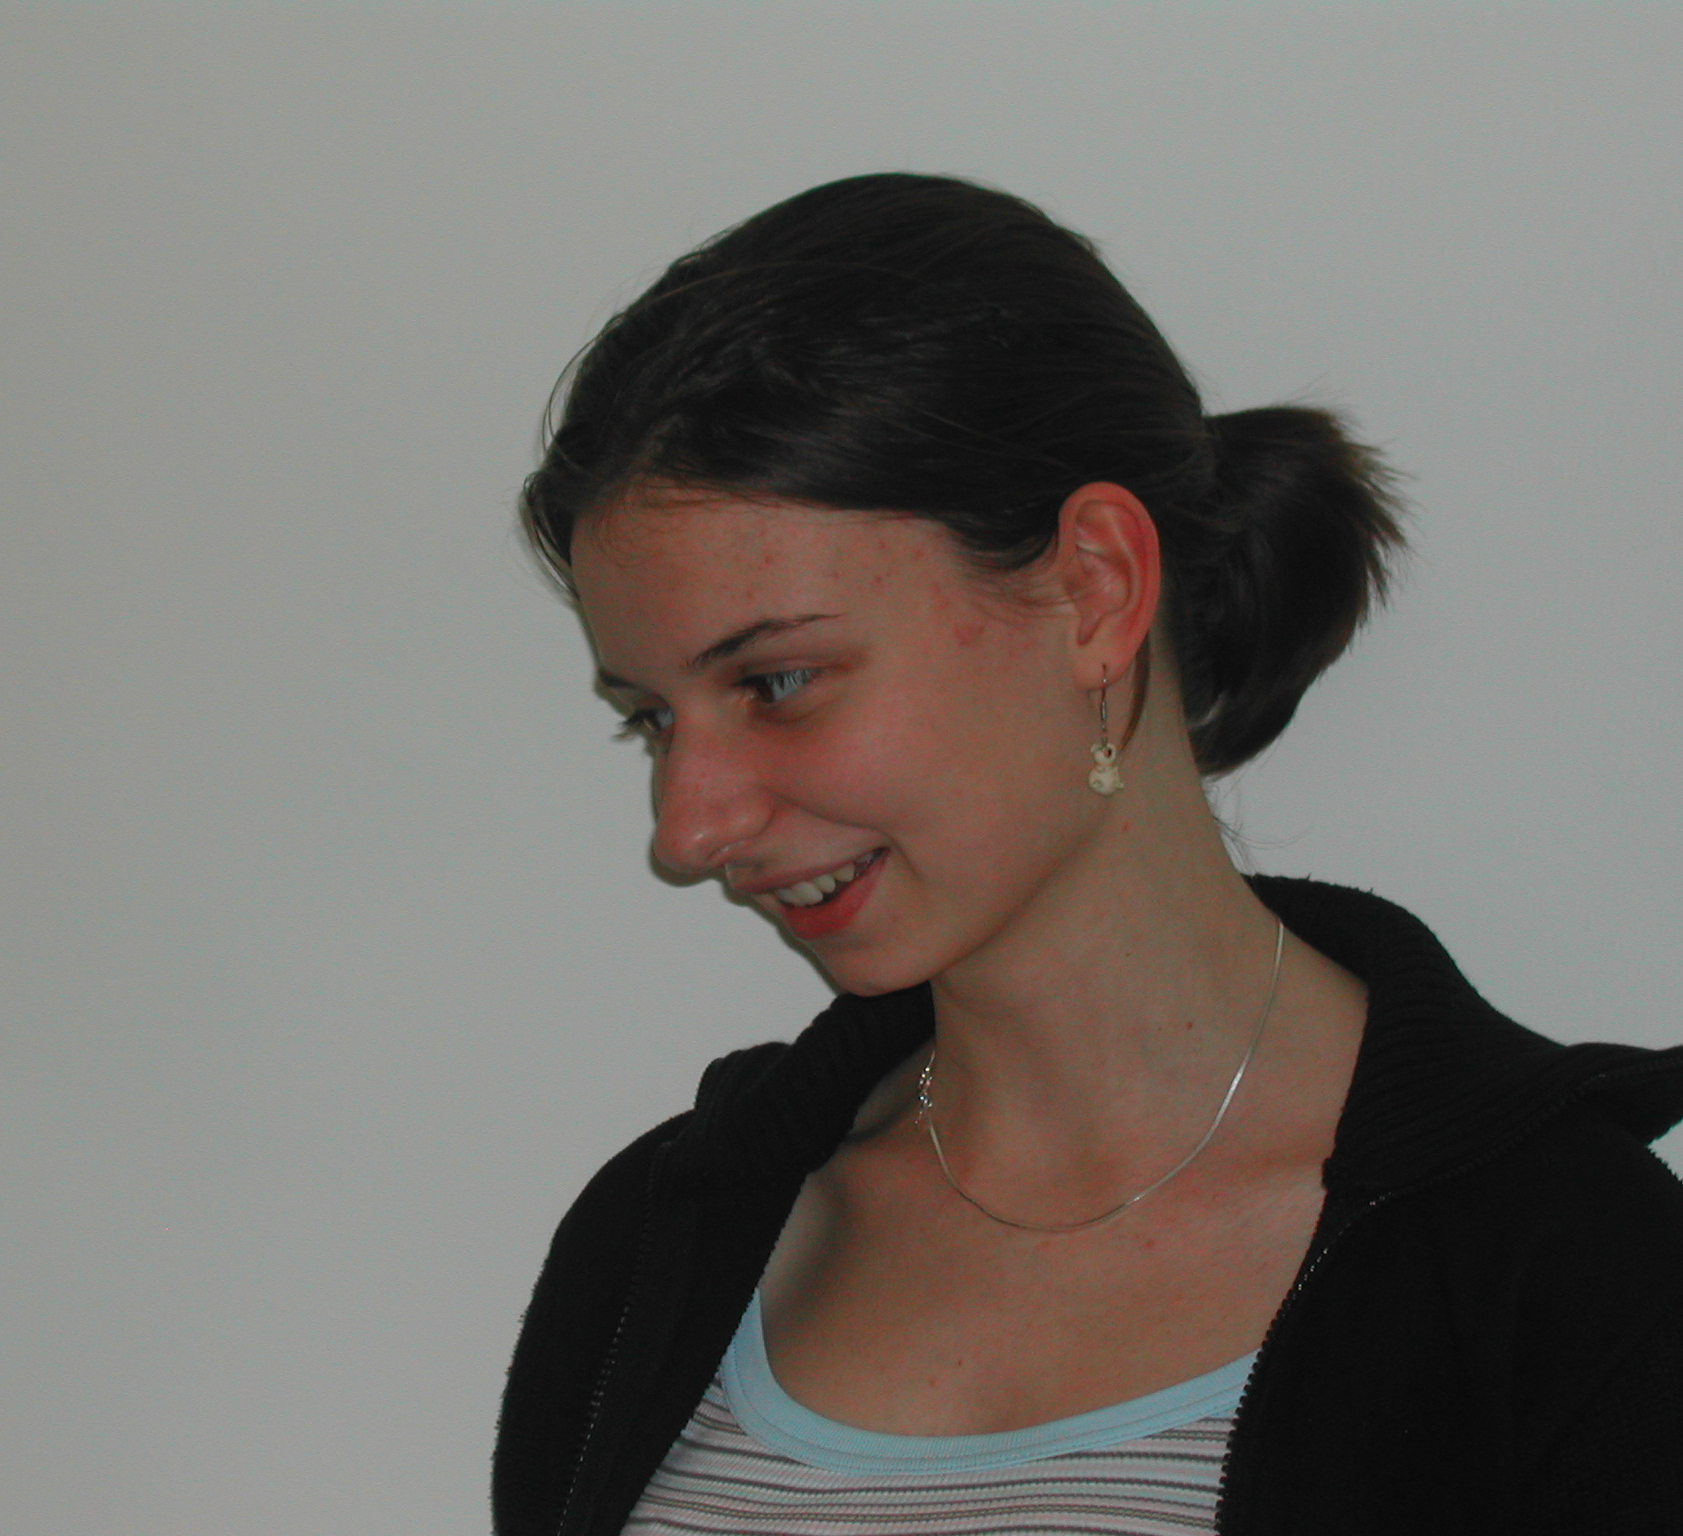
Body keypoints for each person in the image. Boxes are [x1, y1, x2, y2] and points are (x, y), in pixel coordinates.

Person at [492, 174, 1683, 1536]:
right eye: (653, 718)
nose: (688, 828)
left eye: (776, 683)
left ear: (1096, 590)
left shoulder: (1566, 1282)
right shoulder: (658, 1248)